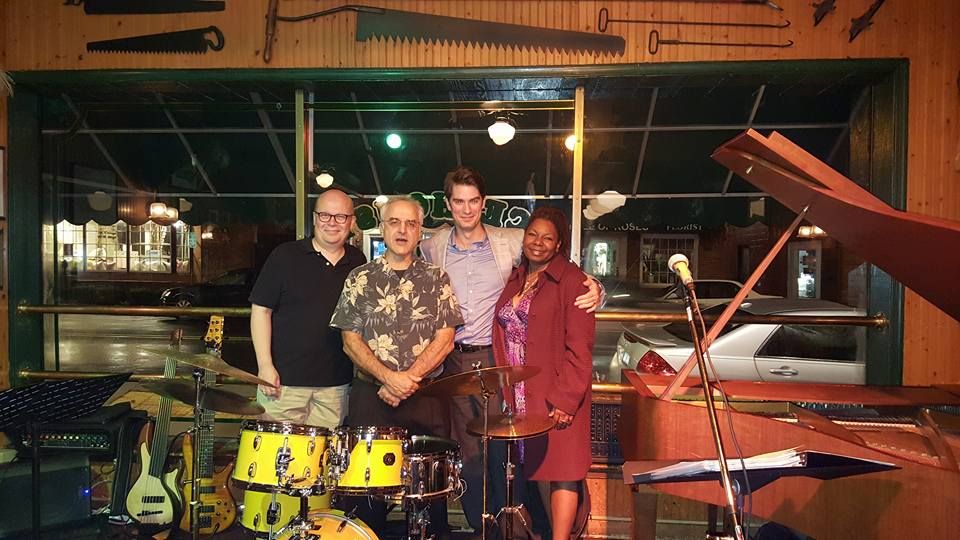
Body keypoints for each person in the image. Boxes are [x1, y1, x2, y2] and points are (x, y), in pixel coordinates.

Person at [419, 166, 601, 536]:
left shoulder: (510, 241)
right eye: (459, 201)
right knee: (470, 452)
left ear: (483, 203)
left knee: (508, 453)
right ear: (448, 204)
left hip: (500, 363)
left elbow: (569, 278)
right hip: (455, 359)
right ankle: (482, 528)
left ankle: (515, 529)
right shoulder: (432, 246)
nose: (466, 209)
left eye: (473, 201)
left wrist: (597, 288)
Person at [331, 196, 464, 538]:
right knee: (366, 494)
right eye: (394, 222)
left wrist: (407, 381)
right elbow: (349, 340)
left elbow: (445, 339)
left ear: (420, 232)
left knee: (428, 496)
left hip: (426, 398)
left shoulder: (437, 278)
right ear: (382, 227)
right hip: (371, 398)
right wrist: (389, 378)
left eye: (411, 224)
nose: (402, 230)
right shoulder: (360, 278)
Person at [492, 206, 595, 540]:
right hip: (523, 392)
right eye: (532, 234)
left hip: (557, 391)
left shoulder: (573, 281)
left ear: (559, 243)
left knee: (563, 471)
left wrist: (566, 399)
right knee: (538, 466)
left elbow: (580, 348)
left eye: (547, 238)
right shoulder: (519, 276)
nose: (538, 242)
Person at [248, 189, 365, 428]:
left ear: (351, 222)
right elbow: (261, 311)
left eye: (341, 216)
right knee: (277, 451)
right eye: (325, 215)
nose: (332, 223)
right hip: (282, 384)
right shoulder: (285, 256)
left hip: (336, 386)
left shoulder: (358, 262)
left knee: (326, 452)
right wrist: (265, 366)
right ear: (314, 218)